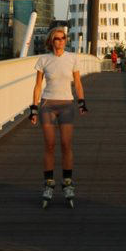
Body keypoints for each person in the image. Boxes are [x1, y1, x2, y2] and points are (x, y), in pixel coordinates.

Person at [29, 28, 88, 208]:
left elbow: (77, 82)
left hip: (67, 104)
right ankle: (48, 183)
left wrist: (81, 101)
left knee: (65, 144)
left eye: (63, 38)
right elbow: (38, 86)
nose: (61, 41)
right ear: (51, 41)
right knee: (49, 144)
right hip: (47, 105)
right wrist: (33, 108)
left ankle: (68, 182)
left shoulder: (72, 58)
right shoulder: (44, 60)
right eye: (57, 38)